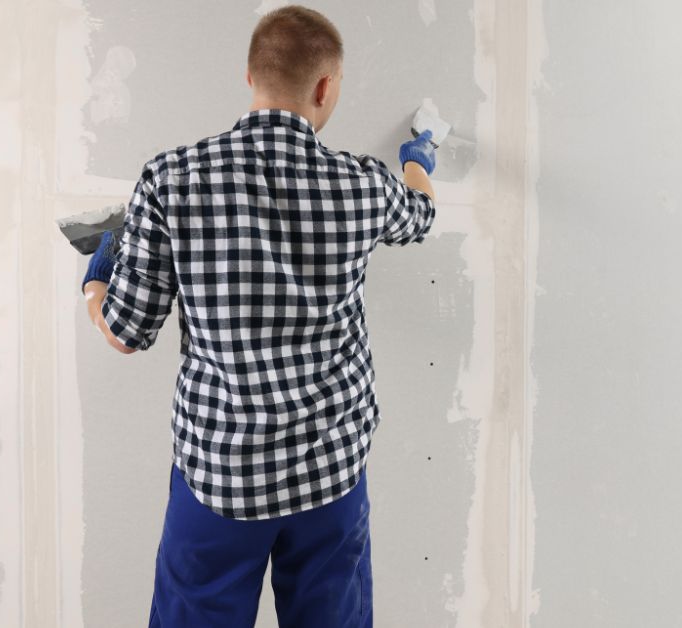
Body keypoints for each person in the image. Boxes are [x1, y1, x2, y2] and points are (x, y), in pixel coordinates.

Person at [78, 6, 437, 626]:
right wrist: (417, 158)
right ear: (325, 87)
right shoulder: (361, 184)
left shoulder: (171, 180)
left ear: (250, 78)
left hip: (221, 474)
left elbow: (126, 332)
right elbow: (421, 215)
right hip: (330, 469)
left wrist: (95, 280)